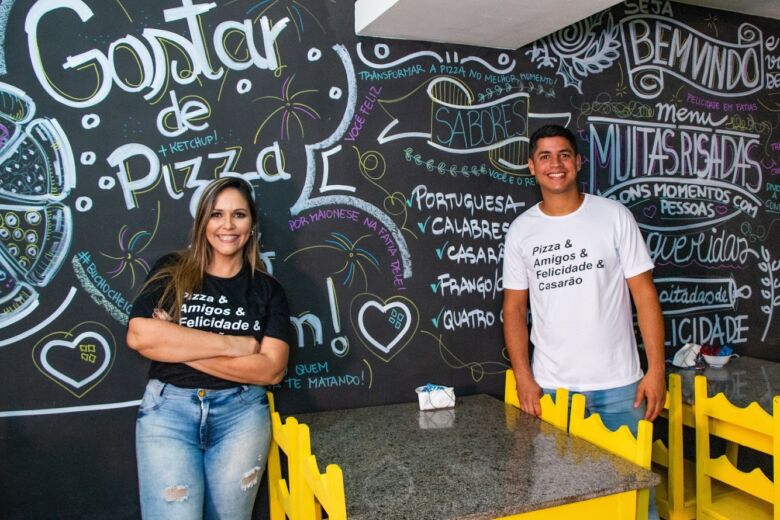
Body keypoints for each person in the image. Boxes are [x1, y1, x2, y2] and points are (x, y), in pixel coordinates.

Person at [127, 177, 290, 519]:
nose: (227, 225)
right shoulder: (172, 271)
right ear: (203, 222)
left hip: (241, 415)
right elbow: (141, 337)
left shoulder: (268, 290)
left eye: (239, 215)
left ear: (252, 224)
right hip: (168, 413)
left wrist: (175, 339)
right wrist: (236, 346)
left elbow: (271, 369)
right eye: (217, 214)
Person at [502, 124, 665, 436]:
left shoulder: (614, 216)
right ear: (532, 166)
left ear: (577, 162)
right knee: (556, 484)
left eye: (564, 155)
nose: (555, 165)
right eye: (545, 156)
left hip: (621, 387)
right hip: (551, 389)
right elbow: (513, 309)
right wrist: (523, 376)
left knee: (632, 482)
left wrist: (656, 370)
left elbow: (645, 296)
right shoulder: (521, 231)